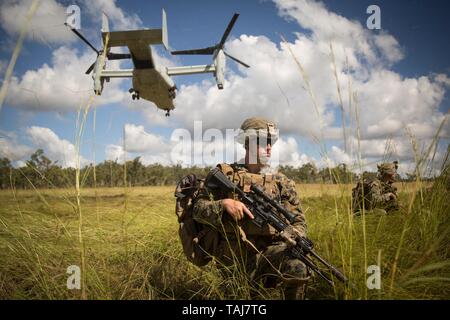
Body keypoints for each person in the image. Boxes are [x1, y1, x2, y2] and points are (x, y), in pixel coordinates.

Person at [192, 117, 309, 299]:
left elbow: (299, 221)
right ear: (248, 143)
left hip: (271, 254)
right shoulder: (225, 175)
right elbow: (198, 209)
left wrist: (294, 235)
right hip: (233, 259)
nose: (269, 147)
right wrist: (223, 204)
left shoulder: (282, 182)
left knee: (298, 265)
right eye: (263, 142)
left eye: (271, 143)